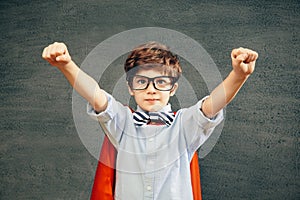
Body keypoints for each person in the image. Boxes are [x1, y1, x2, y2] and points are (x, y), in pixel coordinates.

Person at [42, 41, 258, 200]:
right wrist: (66, 65)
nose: (151, 90)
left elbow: (213, 103)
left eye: (161, 82)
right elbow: (95, 94)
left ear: (173, 88)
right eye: (142, 81)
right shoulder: (122, 122)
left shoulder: (185, 126)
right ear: (130, 87)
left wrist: (239, 75)